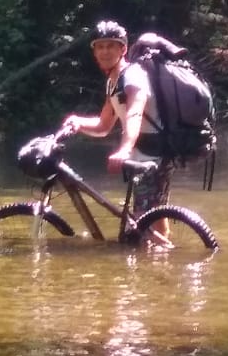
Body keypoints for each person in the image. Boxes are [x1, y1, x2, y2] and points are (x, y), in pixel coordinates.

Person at [60, 20, 172, 240]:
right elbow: (104, 126)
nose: (105, 51)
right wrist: (78, 122)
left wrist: (124, 149)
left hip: (153, 152)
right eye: (100, 47)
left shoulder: (133, 75)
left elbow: (135, 112)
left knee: (142, 227)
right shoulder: (113, 81)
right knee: (154, 216)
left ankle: (158, 262)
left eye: (111, 46)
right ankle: (163, 256)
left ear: (123, 49)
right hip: (142, 152)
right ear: (94, 52)